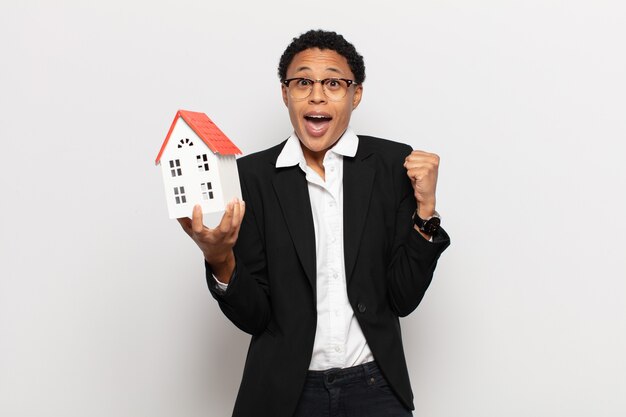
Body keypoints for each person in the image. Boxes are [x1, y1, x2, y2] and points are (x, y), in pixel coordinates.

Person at [177, 29, 450, 417]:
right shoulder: (251, 177)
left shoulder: (392, 165)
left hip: (375, 388)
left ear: (356, 94)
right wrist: (221, 260)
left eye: (333, 83)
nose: (317, 95)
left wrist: (426, 210)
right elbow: (254, 317)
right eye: (303, 81)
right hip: (284, 392)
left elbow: (403, 299)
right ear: (285, 93)